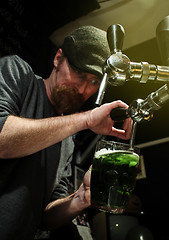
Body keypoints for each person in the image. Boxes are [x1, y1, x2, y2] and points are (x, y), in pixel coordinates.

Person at [0, 26, 132, 240]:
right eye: (79, 73)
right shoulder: (17, 73)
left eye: (94, 82)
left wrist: (82, 198)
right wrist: (86, 119)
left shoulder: (68, 142)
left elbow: (46, 218)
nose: (82, 90)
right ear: (58, 58)